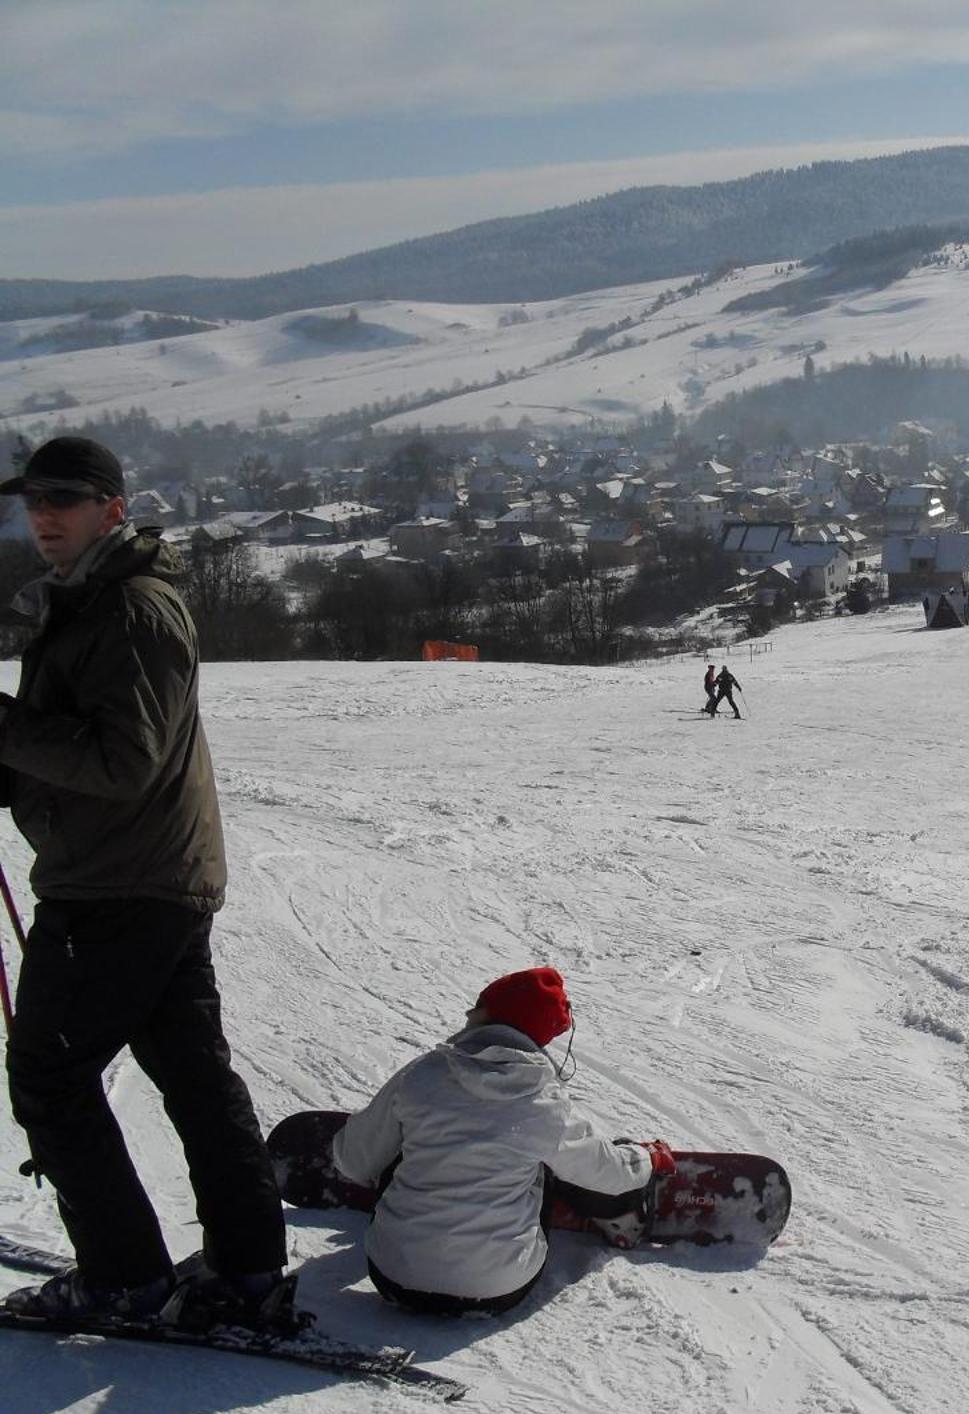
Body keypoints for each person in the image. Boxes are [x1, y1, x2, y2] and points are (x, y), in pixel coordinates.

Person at [0, 435, 296, 1329]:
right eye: (34, 500)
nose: (44, 514)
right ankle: (244, 1268)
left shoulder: (130, 610)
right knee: (194, 1077)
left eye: (66, 498)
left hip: (117, 884)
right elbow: (79, 742)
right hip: (145, 872)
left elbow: (124, 761)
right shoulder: (91, 601)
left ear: (112, 509)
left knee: (50, 1080)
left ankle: (124, 1276)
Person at [331, 967, 674, 1317]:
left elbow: (352, 1161)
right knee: (548, 1160)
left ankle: (419, 1215)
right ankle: (609, 1212)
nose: (467, 1013)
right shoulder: (541, 1101)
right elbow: (608, 1172)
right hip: (497, 1289)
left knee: (406, 1141)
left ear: (489, 1016)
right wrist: (647, 1159)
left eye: (477, 1006)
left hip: (393, 1277)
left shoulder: (422, 1075)